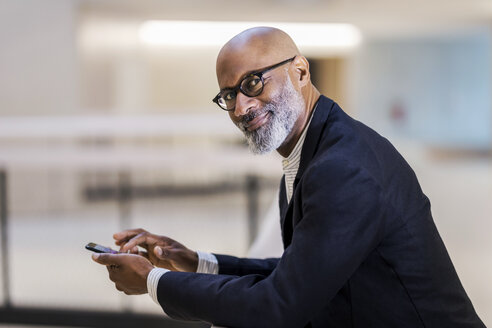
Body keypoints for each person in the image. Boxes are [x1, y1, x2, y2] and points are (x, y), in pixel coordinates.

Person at [91, 27, 485, 328]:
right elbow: (298, 272)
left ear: (299, 71)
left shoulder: (343, 168)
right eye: (228, 95)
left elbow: (281, 305)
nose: (241, 107)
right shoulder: (315, 149)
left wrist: (153, 282)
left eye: (252, 83)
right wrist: (195, 262)